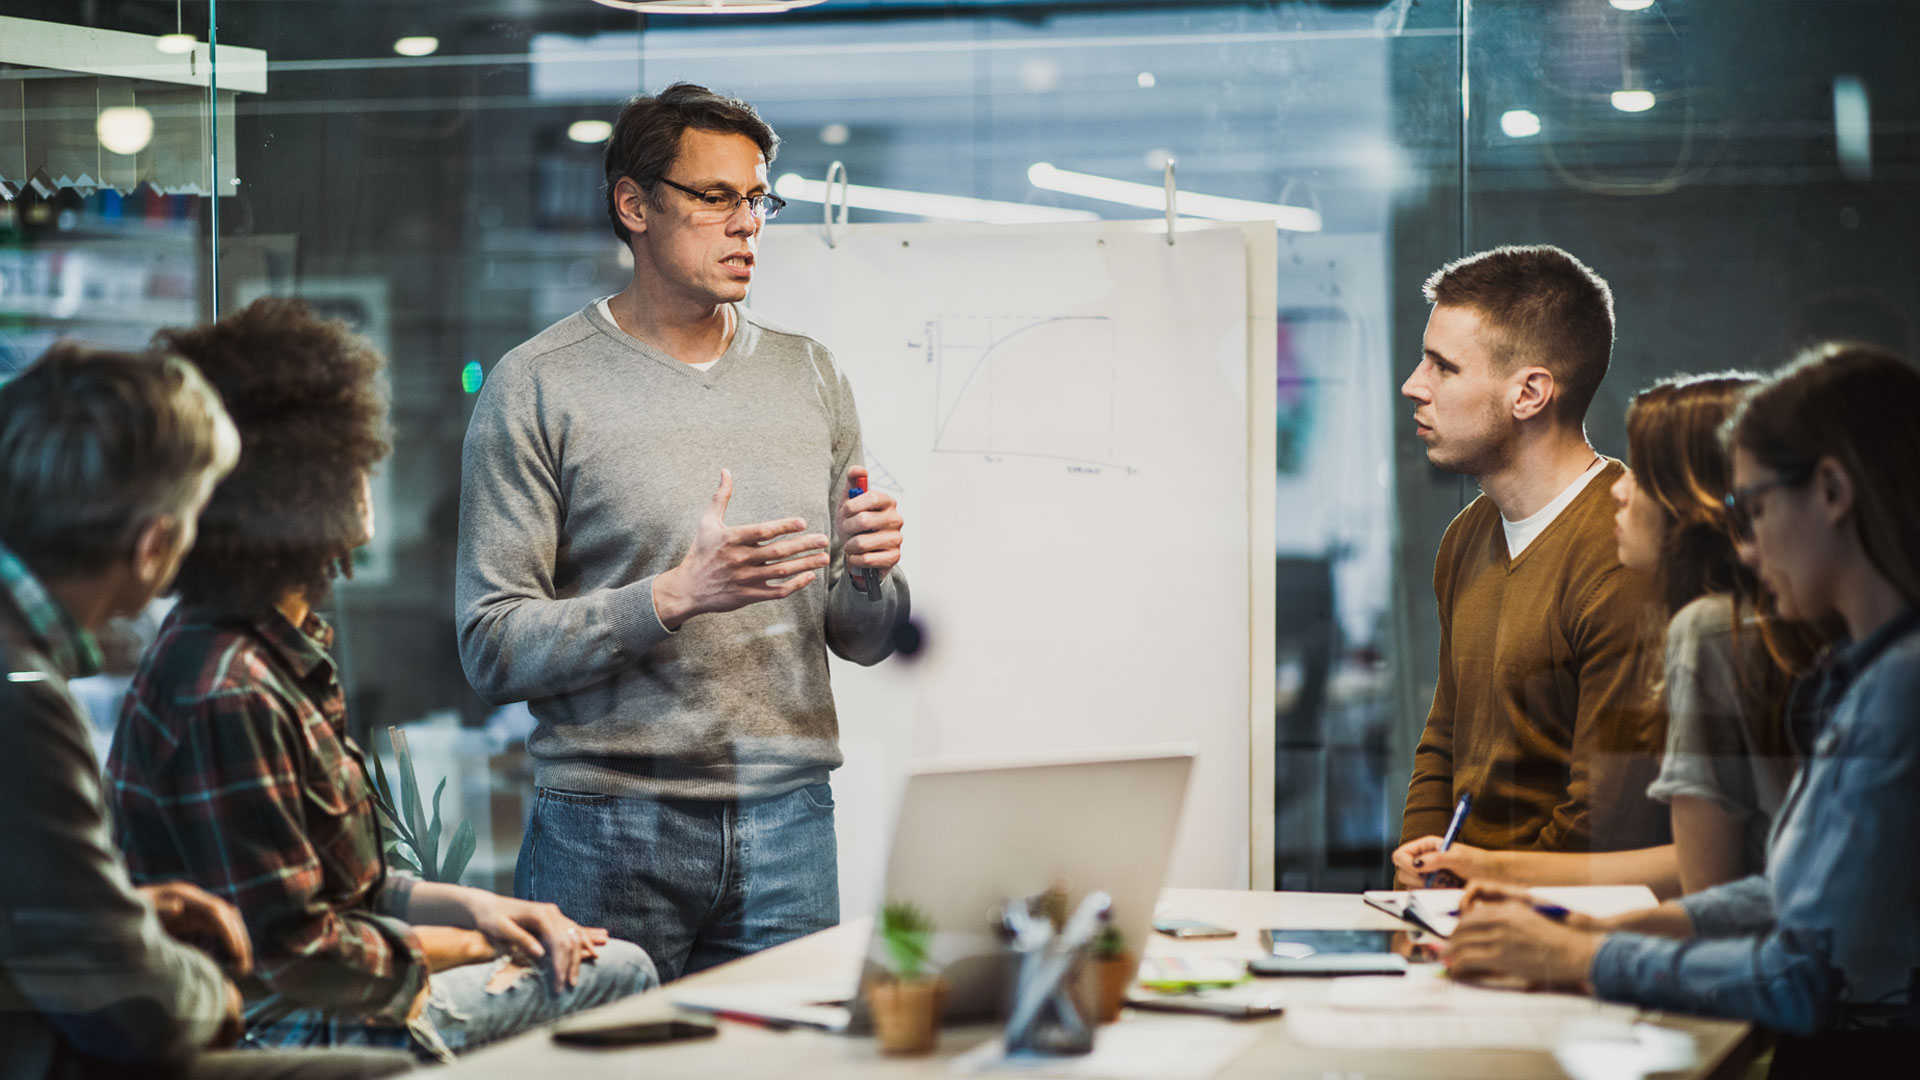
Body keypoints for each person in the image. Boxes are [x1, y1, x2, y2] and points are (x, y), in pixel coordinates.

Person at [106, 300, 655, 1061]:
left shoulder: (282, 649)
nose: (371, 475)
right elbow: (305, 956)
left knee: (583, 955)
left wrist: (483, 909)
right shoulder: (229, 686)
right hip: (286, 1029)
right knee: (619, 973)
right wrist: (467, 948)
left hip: (334, 992)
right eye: (354, 463)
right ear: (301, 489)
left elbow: (347, 894)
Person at [456, 83, 908, 982]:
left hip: (789, 820)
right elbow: (491, 647)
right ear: (634, 204)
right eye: (715, 198)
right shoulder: (538, 385)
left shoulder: (809, 373)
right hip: (606, 826)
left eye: (759, 199)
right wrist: (670, 597)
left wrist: (868, 576)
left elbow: (868, 641)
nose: (747, 225)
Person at [1447, 344, 1920, 1064]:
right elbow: (1786, 898)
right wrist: (1580, 936)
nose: (1751, 549)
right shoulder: (1863, 669)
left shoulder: (1897, 684)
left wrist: (1579, 959)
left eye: (1755, 507)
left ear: (1830, 492)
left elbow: (1798, 975)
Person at [0, 343, 411, 1080]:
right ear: (156, 545)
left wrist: (135, 910)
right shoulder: (24, 694)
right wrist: (213, 995)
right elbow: (132, 1007)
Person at [1396, 374, 1809, 898]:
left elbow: (1713, 891)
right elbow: (1704, 868)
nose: (1619, 486)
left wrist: (1501, 899)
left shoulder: (1708, 634)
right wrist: (1464, 880)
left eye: (1647, 474)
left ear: (1700, 503)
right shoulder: (1464, 539)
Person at [1395, 245, 1668, 883]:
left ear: (1530, 393)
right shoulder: (1465, 538)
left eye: (1443, 366)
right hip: (1461, 912)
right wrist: (1421, 866)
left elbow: (1606, 822)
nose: (1414, 384)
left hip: (1562, 929)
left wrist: (1479, 891)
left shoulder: (1625, 553)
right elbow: (1444, 741)